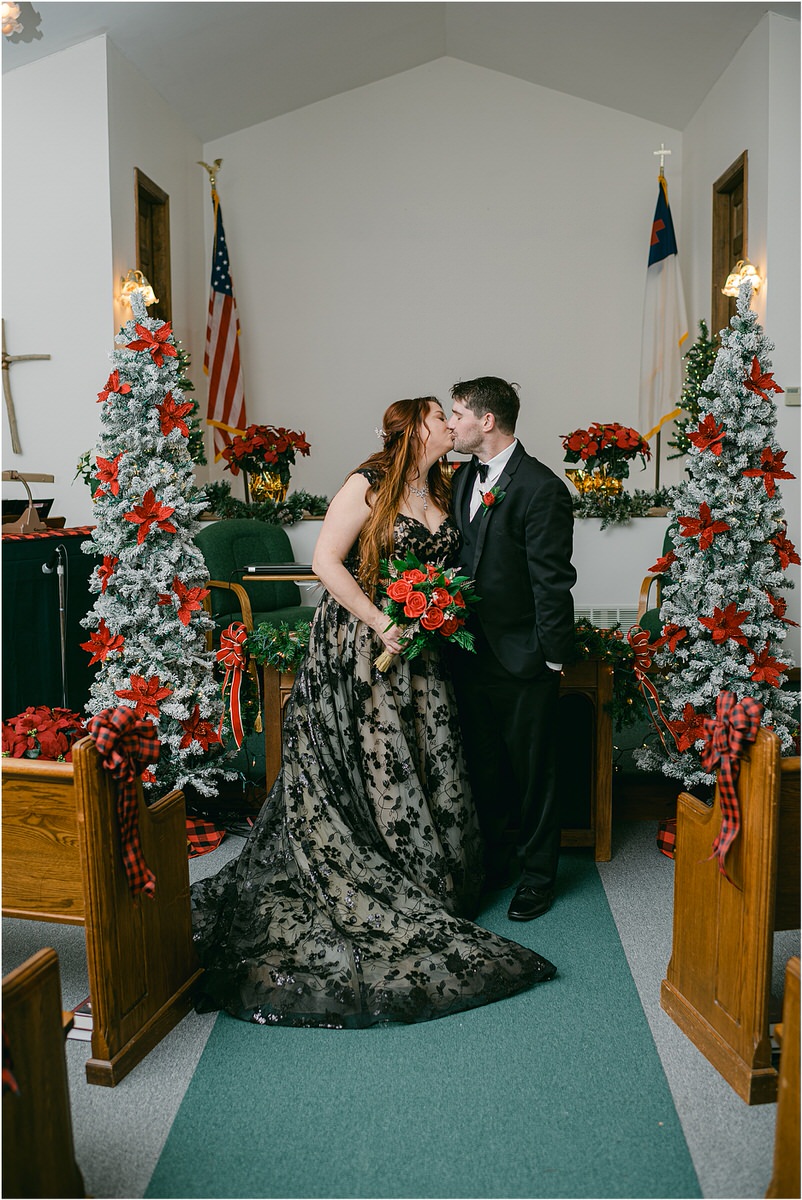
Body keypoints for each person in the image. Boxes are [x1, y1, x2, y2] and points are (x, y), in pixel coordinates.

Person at [191, 396, 556, 1027]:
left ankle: (428, 872)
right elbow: (326, 562)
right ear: (417, 427)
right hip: (362, 643)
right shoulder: (369, 482)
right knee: (371, 758)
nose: (450, 424)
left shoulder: (454, 484)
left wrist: (432, 613)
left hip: (423, 656)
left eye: (454, 416)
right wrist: (381, 620)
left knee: (423, 756)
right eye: (441, 416)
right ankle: (373, 865)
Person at [447, 377, 576, 922]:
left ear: (487, 421)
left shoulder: (541, 487)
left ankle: (539, 878)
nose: (450, 424)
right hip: (468, 654)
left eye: (457, 414)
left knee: (534, 775)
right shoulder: (460, 479)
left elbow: (552, 580)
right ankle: (495, 864)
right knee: (483, 766)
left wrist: (551, 658)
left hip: (524, 657)